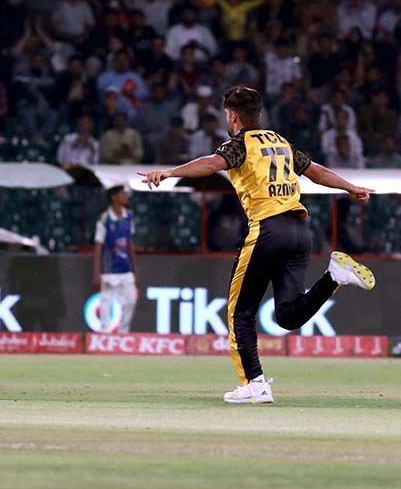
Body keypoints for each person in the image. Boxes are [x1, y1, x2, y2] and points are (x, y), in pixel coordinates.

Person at [140, 86, 376, 404]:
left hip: (267, 229)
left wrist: (168, 172)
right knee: (288, 316)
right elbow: (315, 171)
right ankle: (334, 276)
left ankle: (255, 384)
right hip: (298, 232)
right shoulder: (280, 142)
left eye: (227, 114)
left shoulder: (240, 144)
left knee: (240, 312)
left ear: (233, 115)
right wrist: (350, 187)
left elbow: (211, 164)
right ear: (259, 114)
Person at [92, 185, 138, 334]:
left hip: (125, 267)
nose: (126, 197)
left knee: (131, 299)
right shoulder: (104, 219)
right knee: (106, 300)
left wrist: (135, 268)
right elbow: (98, 245)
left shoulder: (129, 216)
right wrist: (97, 272)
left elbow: (129, 242)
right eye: (123, 194)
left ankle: (123, 331)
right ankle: (105, 331)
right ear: (114, 197)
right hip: (109, 266)